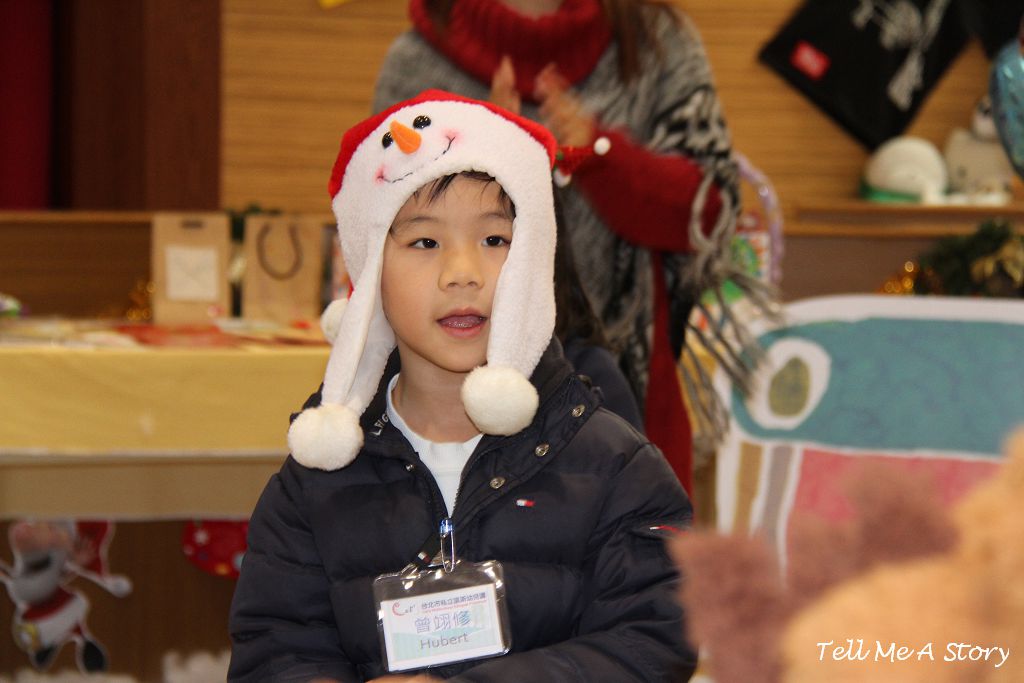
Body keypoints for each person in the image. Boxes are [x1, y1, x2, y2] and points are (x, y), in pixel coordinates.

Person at [228, 91, 695, 682]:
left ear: (536, 260)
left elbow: (655, 641)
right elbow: (275, 654)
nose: (462, 273)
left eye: (495, 240)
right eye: (424, 242)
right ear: (370, 272)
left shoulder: (614, 465)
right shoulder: (315, 484)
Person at [373, 0, 745, 497]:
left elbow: (712, 211)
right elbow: (377, 219)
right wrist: (485, 162)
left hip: (621, 377)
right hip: (434, 400)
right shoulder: (418, 57)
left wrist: (601, 157)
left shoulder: (655, 44)